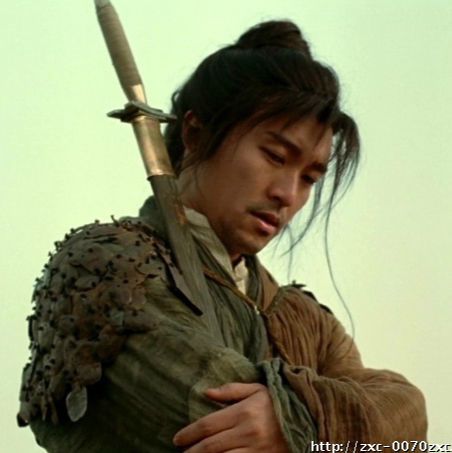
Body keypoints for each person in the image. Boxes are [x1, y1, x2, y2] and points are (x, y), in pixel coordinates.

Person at [18, 20, 427, 452]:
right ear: (196, 134)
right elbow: (213, 411)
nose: (288, 194)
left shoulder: (303, 320)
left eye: (309, 177)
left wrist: (292, 422)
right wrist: (326, 426)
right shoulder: (111, 267)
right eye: (275, 156)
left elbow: (408, 414)